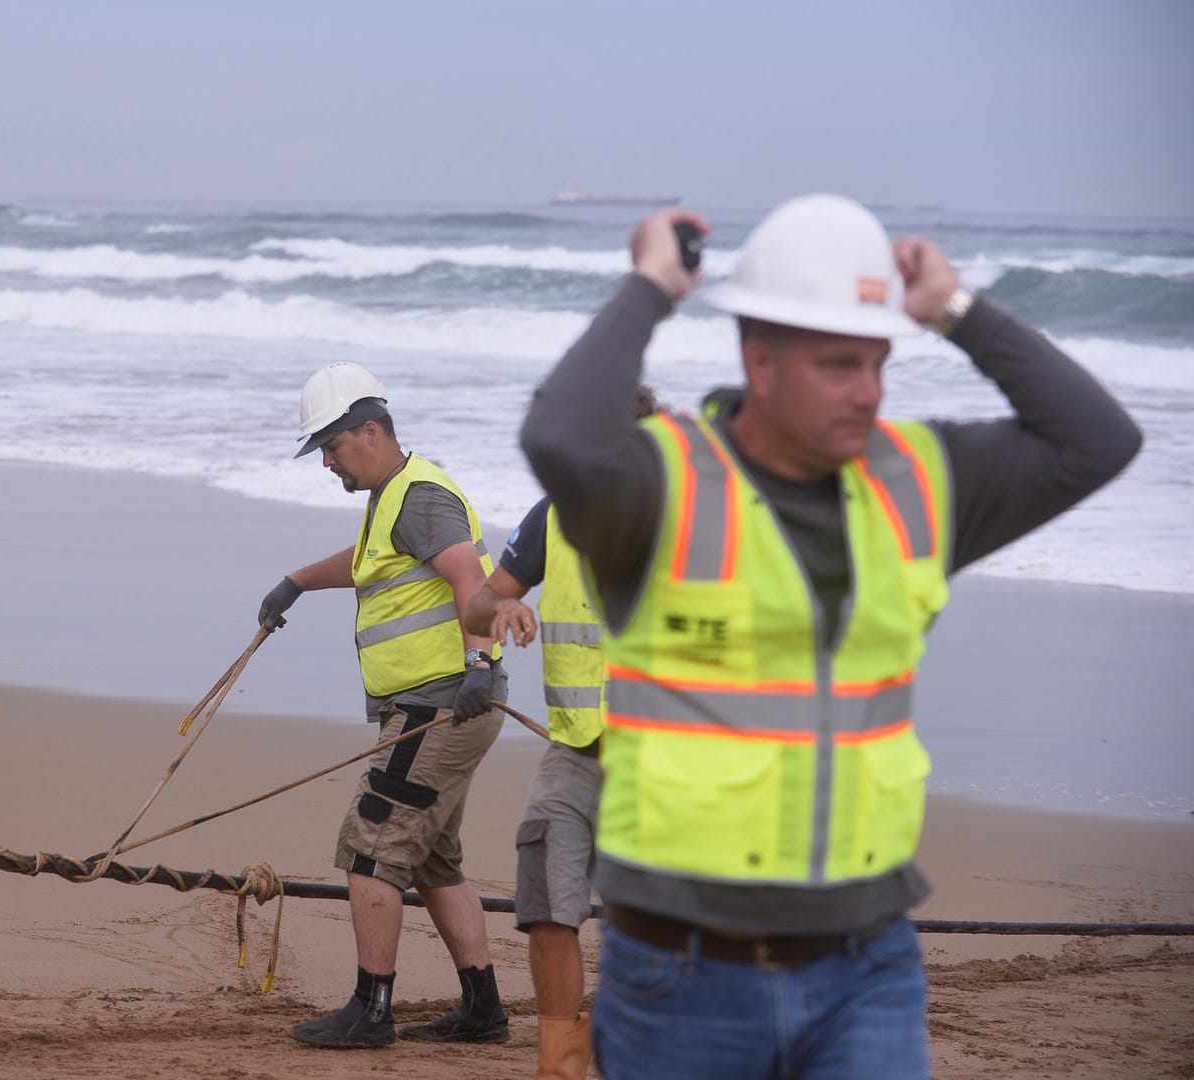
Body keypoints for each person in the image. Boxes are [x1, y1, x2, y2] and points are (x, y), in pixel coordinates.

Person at [518, 194, 1142, 1079]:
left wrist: (957, 313)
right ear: (760, 361)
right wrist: (654, 285)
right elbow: (560, 437)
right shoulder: (663, 484)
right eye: (840, 363)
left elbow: (1097, 439)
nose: (870, 390)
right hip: (681, 977)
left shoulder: (921, 479)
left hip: (866, 968)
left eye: (880, 360)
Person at [257, 361, 511, 1050]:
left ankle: (371, 1011)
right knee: (431, 861)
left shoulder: (421, 496)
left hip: (441, 705)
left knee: (371, 846)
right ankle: (483, 1010)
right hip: (439, 705)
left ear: (369, 430)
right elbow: (372, 560)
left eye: (332, 447)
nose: (328, 463)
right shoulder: (394, 499)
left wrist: (482, 664)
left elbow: (471, 579)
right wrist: (298, 582)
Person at [463, 384, 656, 1080]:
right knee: (546, 903)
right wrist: (499, 612)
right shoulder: (552, 518)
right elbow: (479, 605)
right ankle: (560, 1067)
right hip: (575, 751)